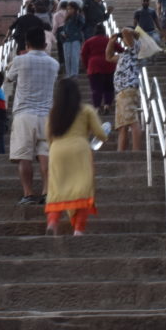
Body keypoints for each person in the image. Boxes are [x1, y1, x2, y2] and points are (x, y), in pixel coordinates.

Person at [44, 78, 108, 236]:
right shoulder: (86, 110)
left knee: (57, 190)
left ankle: (52, 223)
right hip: (80, 151)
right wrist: (105, 135)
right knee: (82, 190)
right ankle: (78, 229)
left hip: (57, 150)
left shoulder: (54, 112)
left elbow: (48, 136)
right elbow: (100, 133)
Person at [5, 27, 60, 205]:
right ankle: (46, 192)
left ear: (27, 44)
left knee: (25, 156)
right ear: (45, 45)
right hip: (47, 115)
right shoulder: (54, 64)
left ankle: (28, 193)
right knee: (45, 154)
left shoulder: (20, 60)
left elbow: (8, 77)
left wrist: (11, 64)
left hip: (24, 114)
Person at [105, 28, 143, 152]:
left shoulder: (136, 48)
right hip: (121, 91)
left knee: (132, 120)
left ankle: (136, 150)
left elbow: (125, 31)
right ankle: (121, 151)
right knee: (122, 125)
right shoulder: (124, 54)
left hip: (128, 88)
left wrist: (130, 33)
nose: (124, 40)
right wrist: (111, 41)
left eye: (125, 38)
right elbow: (109, 57)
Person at [81, 24, 116, 114]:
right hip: (109, 65)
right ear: (104, 31)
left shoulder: (89, 41)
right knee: (109, 87)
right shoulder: (109, 40)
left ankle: (96, 107)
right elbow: (120, 49)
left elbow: (83, 54)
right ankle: (107, 105)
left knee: (96, 88)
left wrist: (87, 66)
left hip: (94, 66)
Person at [57, 2, 86, 77]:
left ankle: (74, 74)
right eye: (68, 8)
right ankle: (68, 74)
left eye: (71, 8)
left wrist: (78, 14)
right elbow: (64, 28)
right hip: (66, 40)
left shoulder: (79, 17)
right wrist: (63, 33)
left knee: (74, 56)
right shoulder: (67, 18)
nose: (69, 10)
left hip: (75, 38)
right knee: (67, 57)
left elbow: (82, 24)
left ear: (75, 9)